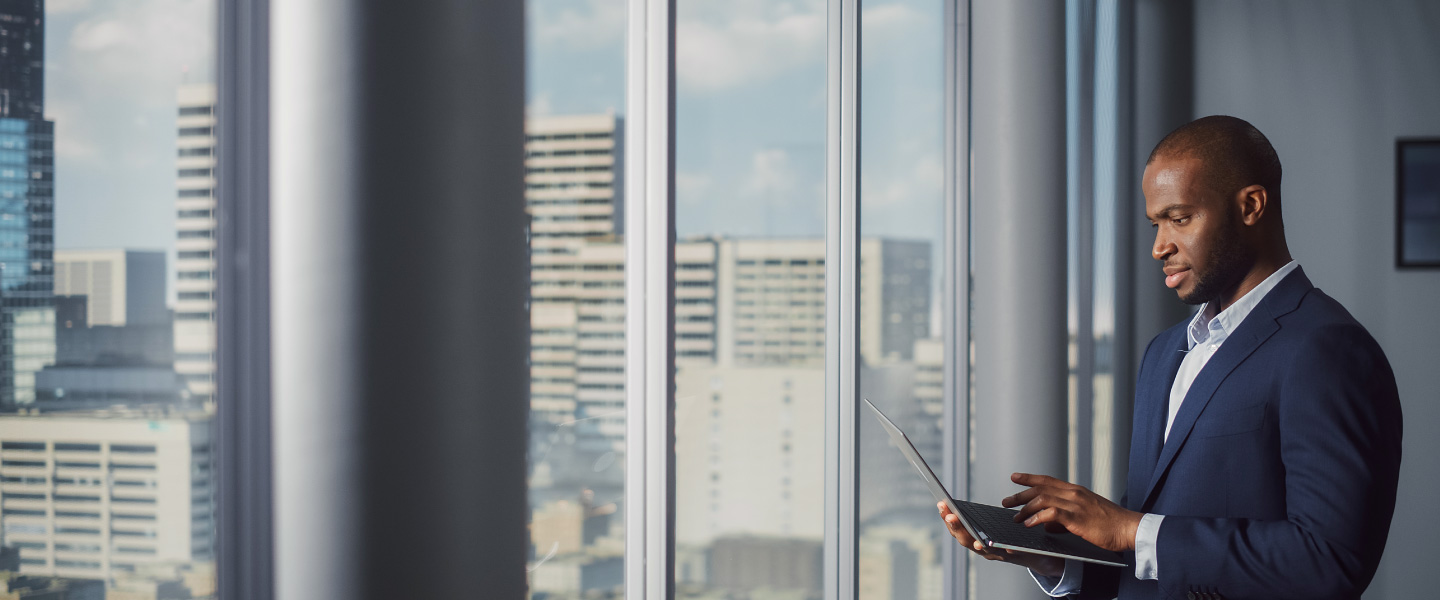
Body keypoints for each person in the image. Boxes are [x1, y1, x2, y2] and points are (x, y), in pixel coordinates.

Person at [938, 115, 1403, 600]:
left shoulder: (1328, 349)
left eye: (1180, 219)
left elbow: (1329, 561)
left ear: (1251, 206)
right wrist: (1051, 557)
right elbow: (1147, 558)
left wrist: (1130, 529)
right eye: (1156, 223)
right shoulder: (1163, 354)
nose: (1160, 246)